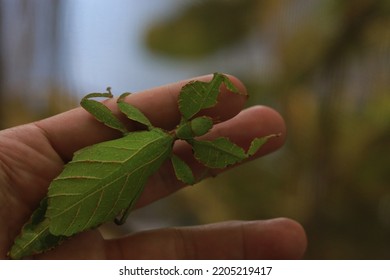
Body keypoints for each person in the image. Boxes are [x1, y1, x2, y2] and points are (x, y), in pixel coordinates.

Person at [0, 74, 306, 259]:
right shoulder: (172, 158)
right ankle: (36, 237)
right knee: (119, 217)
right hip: (86, 203)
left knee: (99, 210)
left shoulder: (148, 128)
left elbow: (97, 106)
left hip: (71, 192)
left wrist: (109, 97)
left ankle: (36, 236)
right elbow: (193, 172)